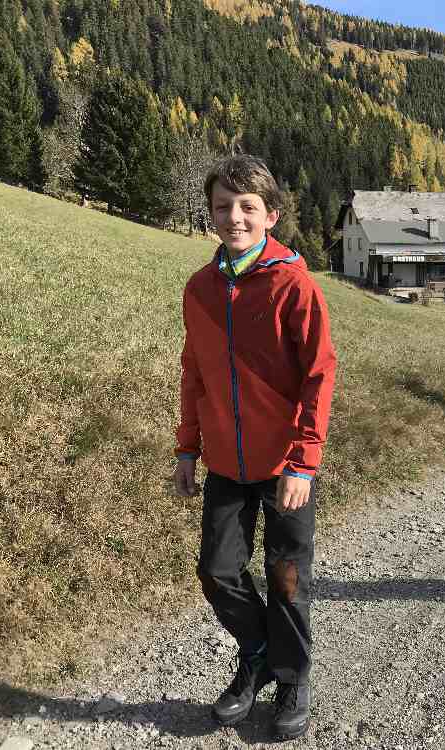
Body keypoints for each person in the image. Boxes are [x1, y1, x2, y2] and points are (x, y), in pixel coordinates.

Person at [172, 154, 337, 740]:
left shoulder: (294, 284)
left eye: (247, 207)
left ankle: (294, 675)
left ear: (270, 214)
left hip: (286, 463)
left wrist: (304, 460)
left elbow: (319, 373)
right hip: (224, 460)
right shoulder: (199, 289)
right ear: (211, 215)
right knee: (217, 571)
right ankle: (262, 651)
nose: (234, 217)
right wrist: (187, 448)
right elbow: (194, 370)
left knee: (286, 575)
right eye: (223, 207)